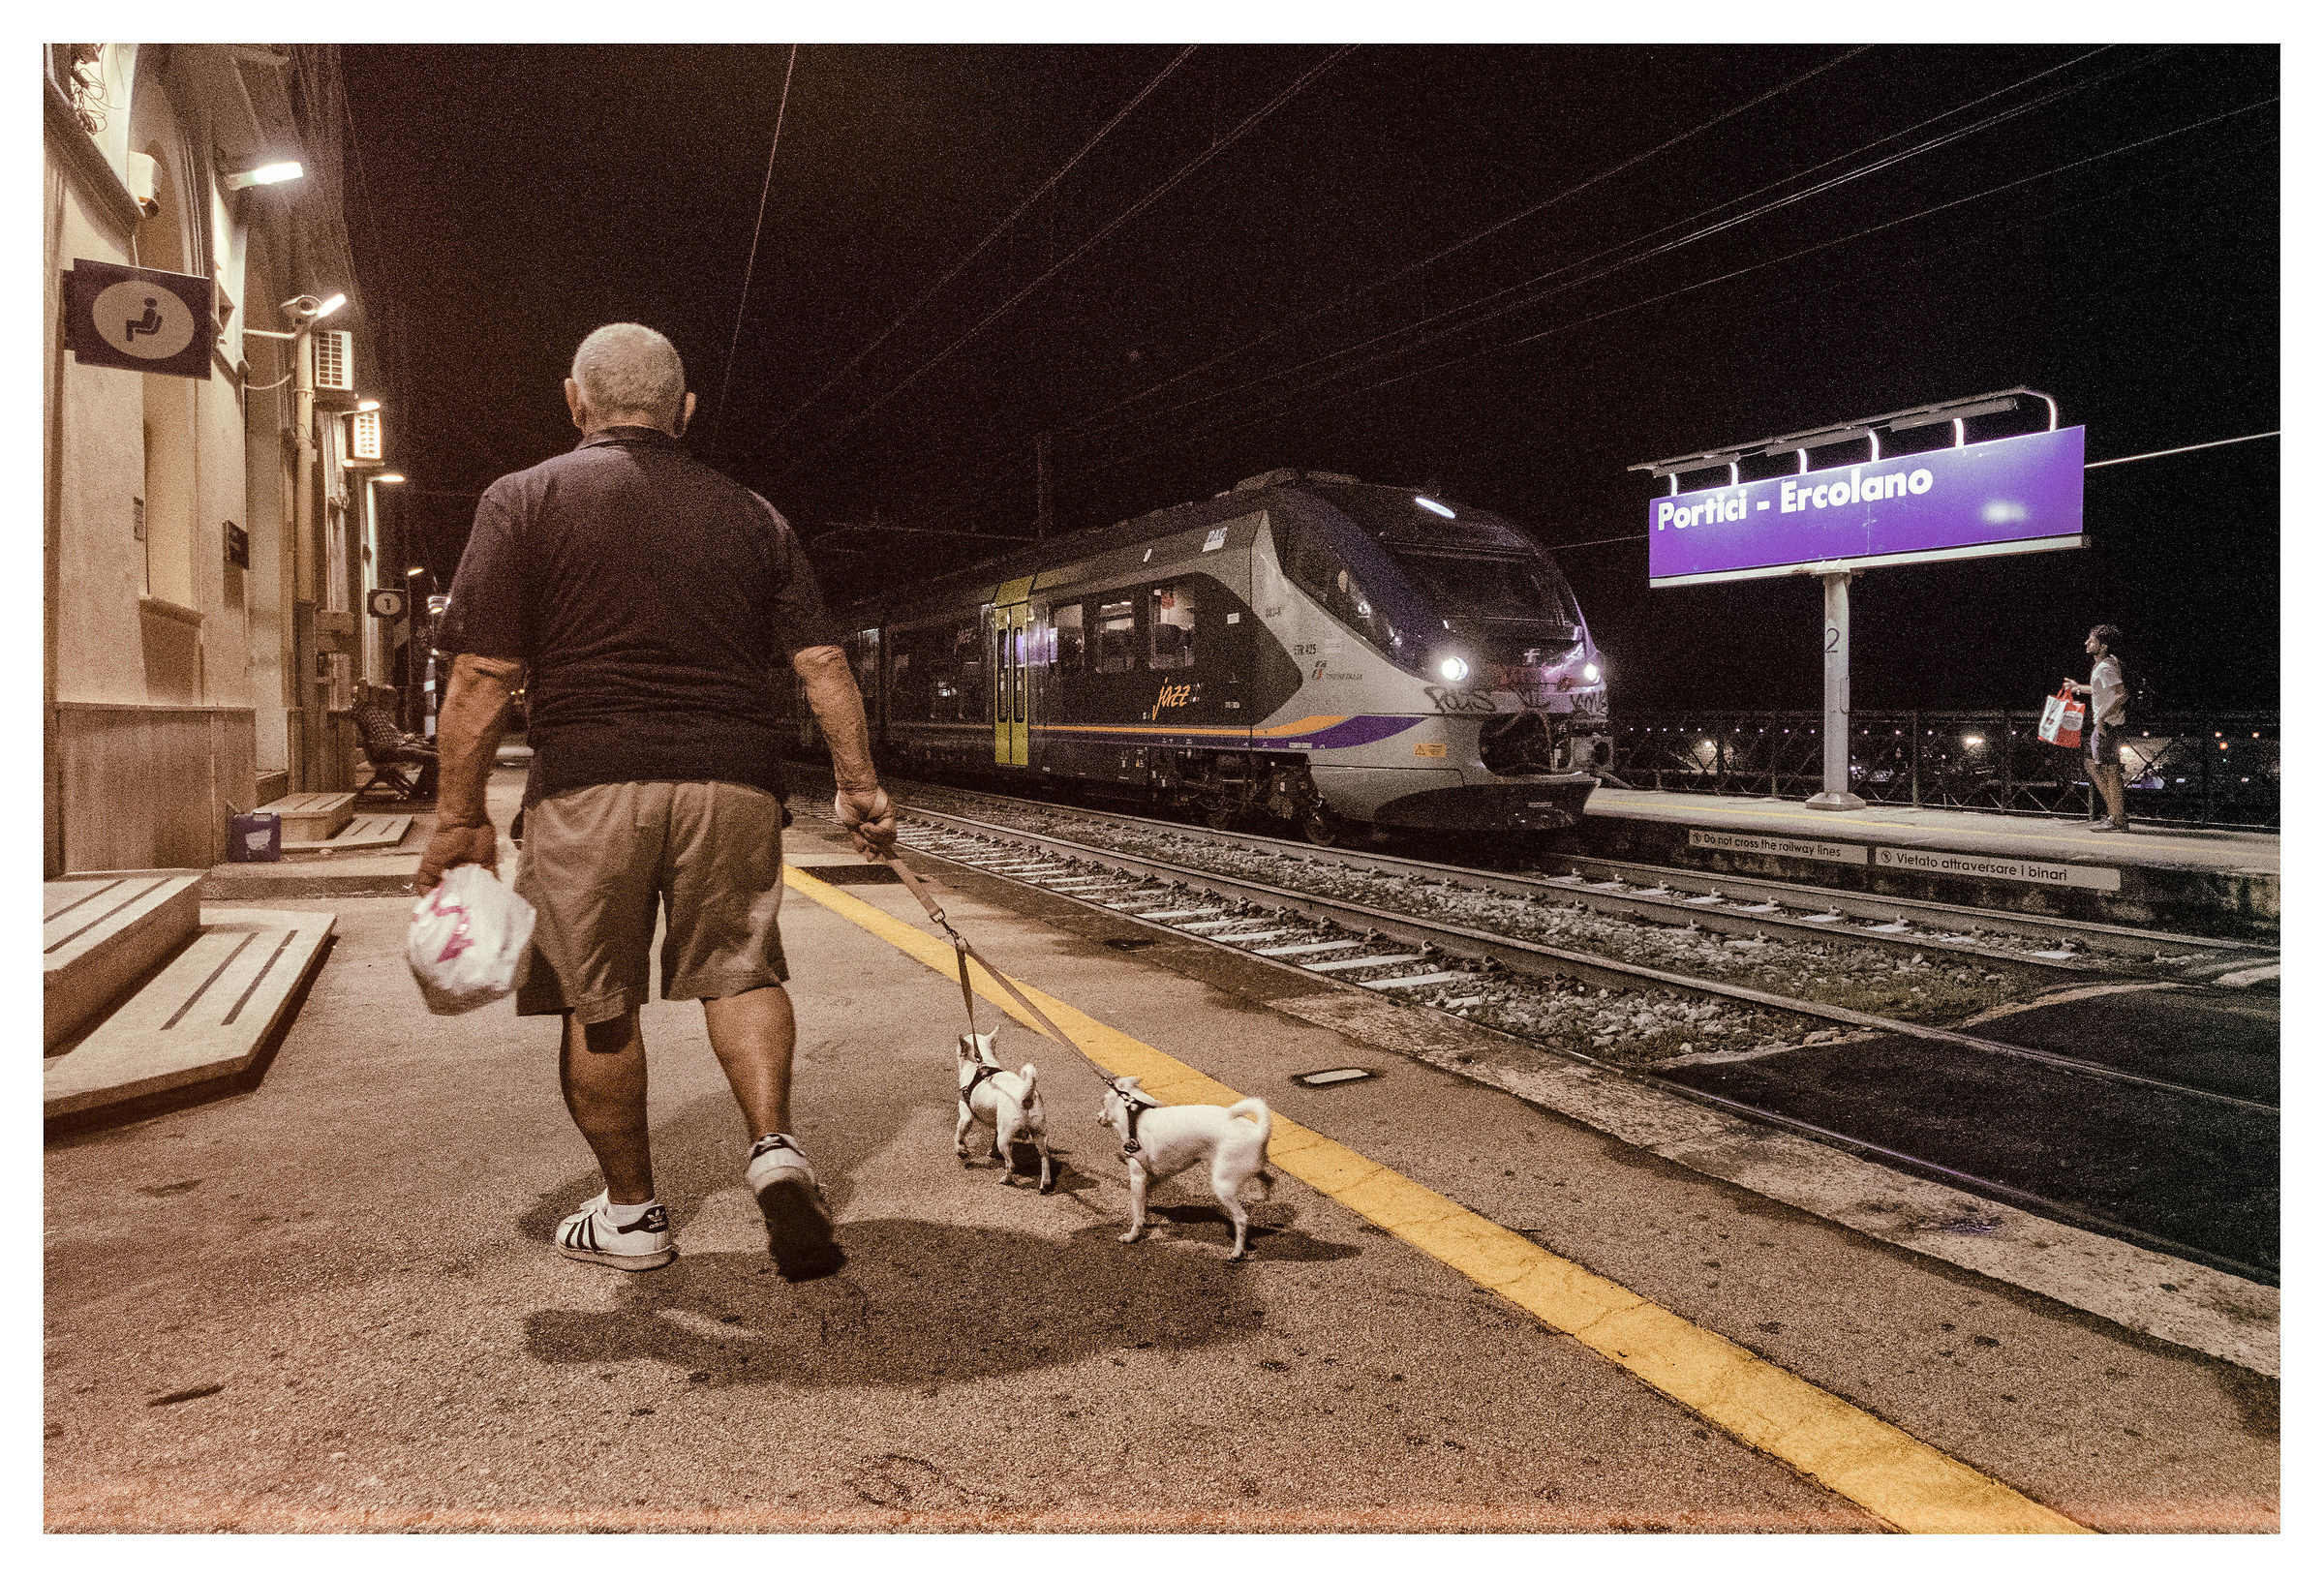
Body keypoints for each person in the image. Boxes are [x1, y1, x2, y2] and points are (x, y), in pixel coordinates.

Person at [414, 322, 898, 1281]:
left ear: (575, 403)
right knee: (741, 972)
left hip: (588, 785)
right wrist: (860, 788)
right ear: (685, 412)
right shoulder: (755, 515)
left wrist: (460, 817)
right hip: (732, 781)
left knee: (596, 1000)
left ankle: (633, 1217)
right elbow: (823, 664)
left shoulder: (523, 498)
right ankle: (775, 1150)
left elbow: (482, 675)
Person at [2065, 623, 2129, 832]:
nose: (2087, 643)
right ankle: (2115, 814)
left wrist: (2102, 717)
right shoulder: (2106, 664)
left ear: (2103, 646)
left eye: (2092, 640)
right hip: (2105, 724)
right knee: (2094, 765)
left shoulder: (2105, 667)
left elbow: (2121, 694)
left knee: (2110, 771)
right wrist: (2078, 688)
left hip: (2108, 725)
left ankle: (2117, 819)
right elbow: (2101, 690)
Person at [352, 682, 439, 798]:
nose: (395, 701)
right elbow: (361, 689)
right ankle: (421, 792)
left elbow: (391, 735)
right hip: (385, 751)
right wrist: (369, 690)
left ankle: (420, 790)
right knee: (434, 758)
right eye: (392, 697)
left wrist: (406, 737)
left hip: (395, 747)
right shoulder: (365, 710)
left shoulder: (382, 713)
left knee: (436, 751)